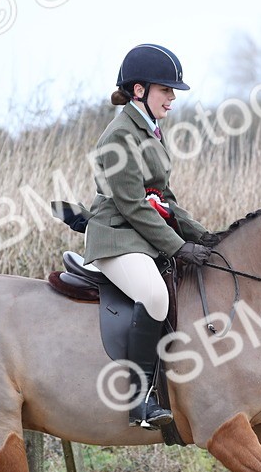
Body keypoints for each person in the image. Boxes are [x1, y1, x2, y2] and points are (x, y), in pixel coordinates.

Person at [83, 43, 213, 430]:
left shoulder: (150, 131)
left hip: (138, 236)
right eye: (166, 90)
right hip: (116, 237)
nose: (172, 99)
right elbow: (133, 206)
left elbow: (164, 199)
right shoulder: (118, 137)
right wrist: (177, 246)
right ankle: (138, 400)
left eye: (172, 92)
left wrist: (204, 237)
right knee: (154, 295)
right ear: (139, 90)